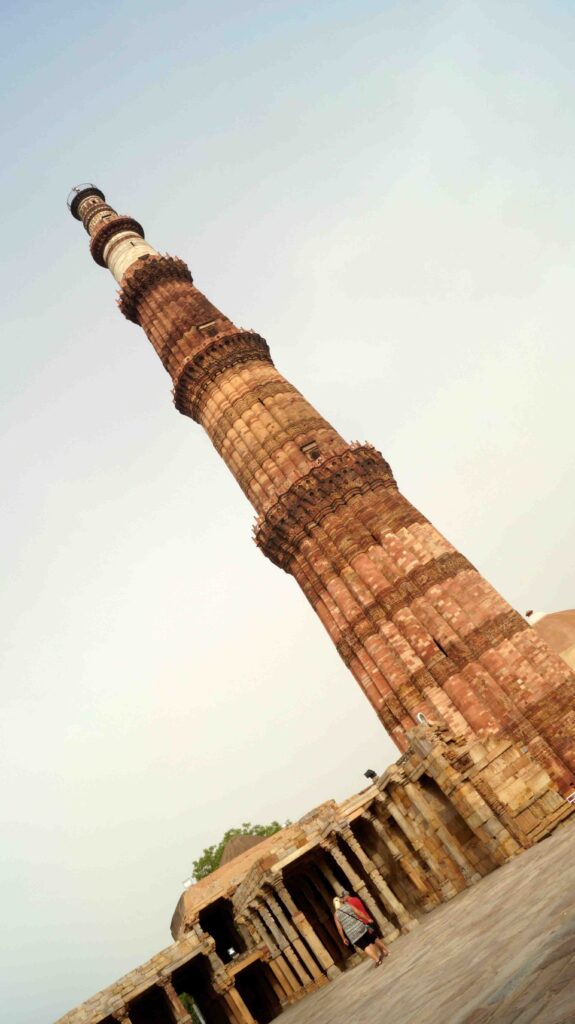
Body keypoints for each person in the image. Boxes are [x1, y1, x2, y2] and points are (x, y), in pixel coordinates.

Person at [333, 897, 385, 966]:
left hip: (352, 933)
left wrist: (343, 938)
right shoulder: (348, 905)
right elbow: (359, 913)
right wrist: (367, 919)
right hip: (360, 926)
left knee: (364, 946)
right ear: (340, 901)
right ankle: (377, 957)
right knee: (369, 943)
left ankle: (377, 960)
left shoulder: (336, 914)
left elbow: (339, 928)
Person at [340, 889, 390, 960]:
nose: (343, 898)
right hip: (367, 920)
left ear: (347, 896)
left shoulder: (349, 903)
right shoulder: (356, 899)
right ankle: (382, 952)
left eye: (343, 897)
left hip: (364, 922)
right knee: (373, 938)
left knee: (374, 938)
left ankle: (387, 950)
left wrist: (343, 903)